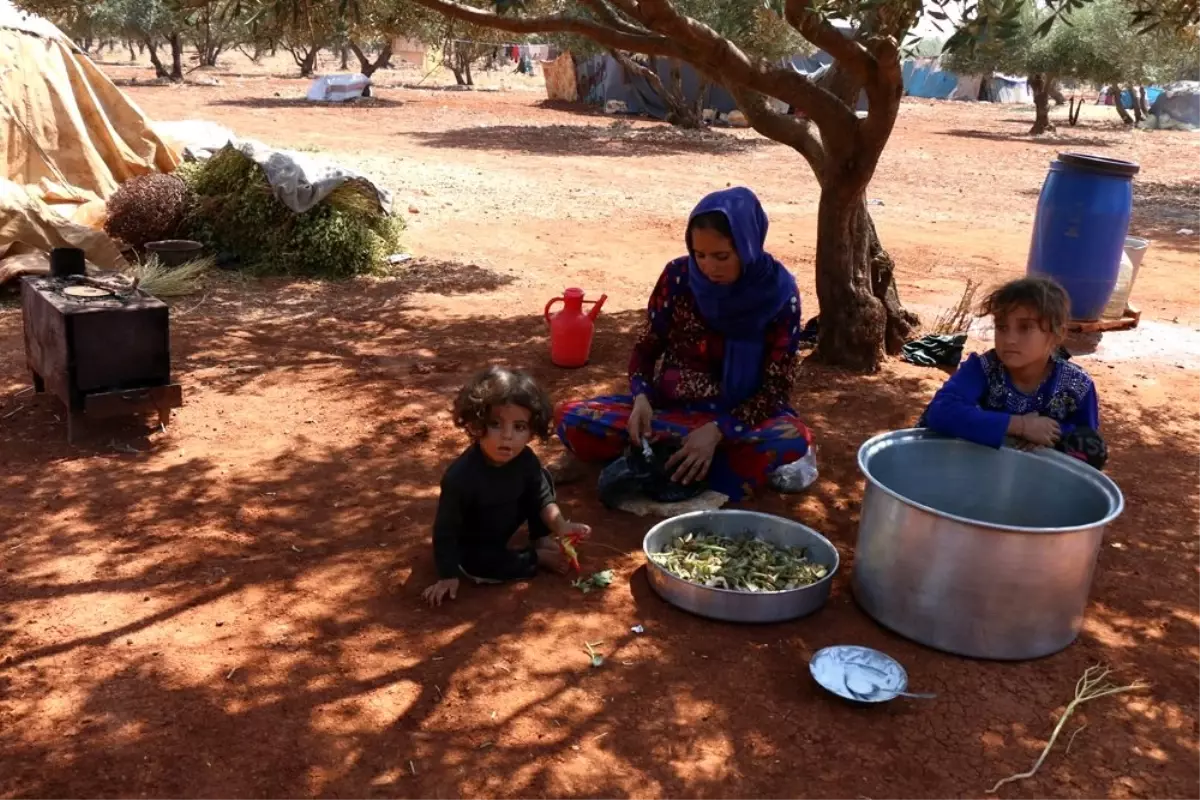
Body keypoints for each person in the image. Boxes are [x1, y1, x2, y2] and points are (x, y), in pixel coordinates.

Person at [554, 187, 812, 501]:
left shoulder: (779, 294)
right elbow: (646, 348)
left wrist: (719, 430)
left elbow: (776, 387)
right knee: (571, 418)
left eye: (721, 256)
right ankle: (692, 467)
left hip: (739, 420)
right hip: (670, 413)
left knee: (791, 437)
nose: (708, 267)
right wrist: (642, 398)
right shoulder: (678, 277)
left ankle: (663, 462)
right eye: (699, 255)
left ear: (748, 246)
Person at [423, 367, 592, 607]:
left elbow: (543, 499)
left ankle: (541, 536)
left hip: (506, 516)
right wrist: (448, 575)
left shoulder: (526, 460)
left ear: (532, 431)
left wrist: (561, 526)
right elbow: (445, 532)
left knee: (540, 477)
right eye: (495, 424)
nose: (507, 436)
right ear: (475, 424)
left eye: (519, 427)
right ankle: (536, 558)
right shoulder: (459, 478)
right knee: (477, 565)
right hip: (476, 545)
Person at [920, 276, 1107, 469]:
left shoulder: (1078, 386)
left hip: (1041, 483)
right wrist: (1020, 426)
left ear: (1056, 334)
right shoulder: (982, 368)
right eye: (1002, 327)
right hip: (974, 471)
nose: (1009, 339)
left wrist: (1052, 437)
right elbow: (940, 411)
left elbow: (1087, 449)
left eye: (1025, 328)